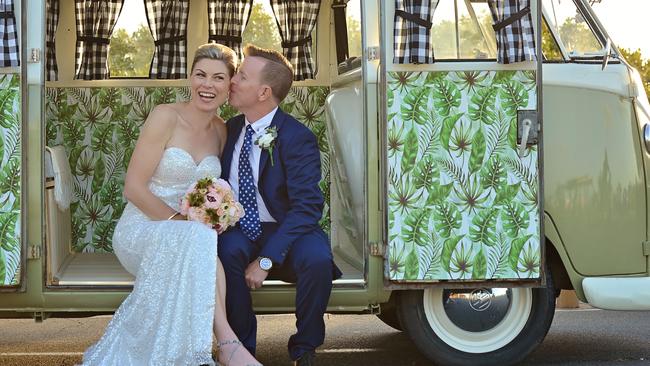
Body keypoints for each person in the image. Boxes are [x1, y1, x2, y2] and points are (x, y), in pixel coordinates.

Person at [81, 43, 262, 366]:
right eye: (200, 75)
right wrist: (180, 221)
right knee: (200, 239)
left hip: (190, 235)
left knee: (202, 241)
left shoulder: (222, 131)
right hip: (142, 228)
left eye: (218, 78)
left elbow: (217, 189)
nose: (207, 85)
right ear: (190, 78)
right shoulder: (166, 116)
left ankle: (222, 347)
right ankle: (228, 343)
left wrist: (217, 212)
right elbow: (133, 188)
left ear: (229, 84)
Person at [219, 44, 342, 366]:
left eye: (241, 76)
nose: (232, 80)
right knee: (226, 251)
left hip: (289, 225)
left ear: (263, 92)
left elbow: (308, 207)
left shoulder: (296, 136)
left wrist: (266, 260)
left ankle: (304, 348)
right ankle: (242, 348)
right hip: (240, 226)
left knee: (317, 260)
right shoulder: (228, 130)